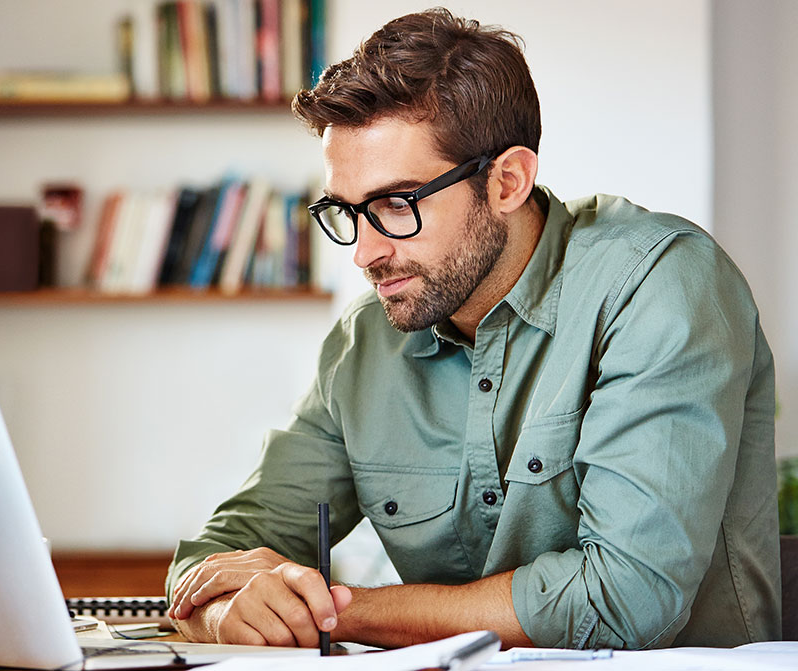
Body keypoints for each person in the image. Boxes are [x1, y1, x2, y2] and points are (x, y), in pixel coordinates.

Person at [165, 8, 781, 651]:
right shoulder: (364, 344)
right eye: (347, 212)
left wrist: (334, 613)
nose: (364, 253)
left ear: (508, 181)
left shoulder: (658, 286)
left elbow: (625, 599)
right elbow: (216, 560)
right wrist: (226, 609)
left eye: (396, 205)